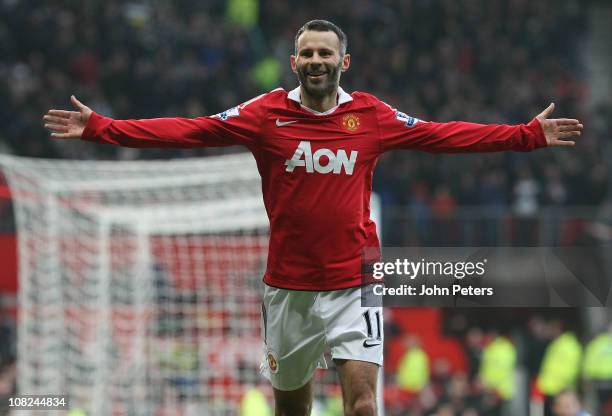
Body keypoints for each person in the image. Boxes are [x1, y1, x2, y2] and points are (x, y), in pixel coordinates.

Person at [43, 19, 583, 416]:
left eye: (326, 52)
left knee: (363, 404)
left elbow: (442, 135)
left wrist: (525, 136)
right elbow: (192, 129)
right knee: (292, 409)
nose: (317, 60)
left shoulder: (370, 115)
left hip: (356, 280)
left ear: (343, 62)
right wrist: (103, 128)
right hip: (289, 288)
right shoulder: (264, 114)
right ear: (295, 62)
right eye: (307, 53)